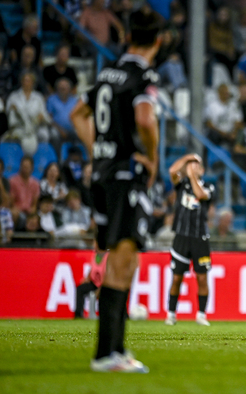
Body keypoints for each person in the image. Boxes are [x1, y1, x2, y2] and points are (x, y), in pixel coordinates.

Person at [70, 10, 161, 373]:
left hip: (102, 175)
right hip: (125, 175)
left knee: (116, 261)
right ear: (157, 41)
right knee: (125, 261)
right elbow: (144, 118)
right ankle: (109, 353)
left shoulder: (106, 73)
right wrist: (151, 158)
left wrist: (100, 148)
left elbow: (78, 114)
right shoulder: (144, 75)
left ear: (129, 37)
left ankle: (113, 351)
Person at [165, 154, 215, 327]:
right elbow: (172, 170)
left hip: (200, 238)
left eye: (197, 165)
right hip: (181, 237)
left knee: (202, 278)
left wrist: (192, 175)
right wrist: (187, 159)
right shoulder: (181, 185)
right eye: (190, 166)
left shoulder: (209, 187)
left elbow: (200, 195)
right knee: (177, 278)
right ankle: (171, 313)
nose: (193, 168)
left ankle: (201, 314)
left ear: (202, 170)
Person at [75, 251, 106, 319]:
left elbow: (109, 275)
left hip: (105, 284)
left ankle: (104, 316)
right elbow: (92, 269)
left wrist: (100, 288)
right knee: (80, 289)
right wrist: (87, 279)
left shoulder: (108, 257)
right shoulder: (96, 256)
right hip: (94, 283)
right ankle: (78, 315)